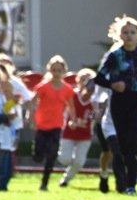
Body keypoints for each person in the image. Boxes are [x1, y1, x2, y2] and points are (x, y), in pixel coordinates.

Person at [93, 15, 137, 195]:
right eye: (125, 32)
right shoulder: (114, 56)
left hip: (136, 100)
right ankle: (122, 183)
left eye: (133, 32)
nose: (129, 35)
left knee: (132, 142)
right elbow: (98, 78)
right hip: (119, 101)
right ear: (119, 35)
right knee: (122, 146)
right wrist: (112, 85)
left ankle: (131, 186)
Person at [26, 55, 76, 191]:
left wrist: (73, 120)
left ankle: (45, 183)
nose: (56, 73)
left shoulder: (67, 89)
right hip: (42, 124)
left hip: (56, 125)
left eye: (59, 71)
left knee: (52, 154)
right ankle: (37, 151)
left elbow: (71, 106)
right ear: (50, 70)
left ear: (63, 72)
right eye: (54, 70)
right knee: (38, 156)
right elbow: (32, 102)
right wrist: (30, 118)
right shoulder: (43, 87)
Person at [57, 68, 96, 187]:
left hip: (84, 134)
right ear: (78, 81)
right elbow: (64, 110)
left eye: (89, 80)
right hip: (70, 132)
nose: (86, 83)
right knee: (64, 159)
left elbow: (96, 117)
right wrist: (68, 122)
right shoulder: (72, 94)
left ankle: (66, 179)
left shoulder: (96, 100)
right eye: (83, 79)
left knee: (79, 162)